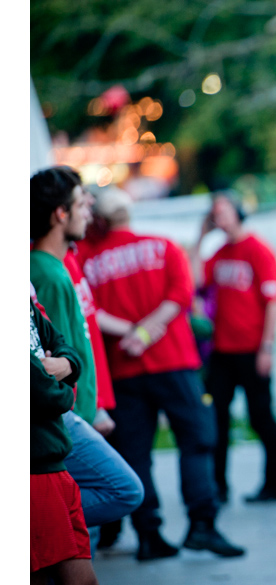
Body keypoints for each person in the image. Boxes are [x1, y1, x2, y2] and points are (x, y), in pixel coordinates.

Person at [77, 187, 245, 560]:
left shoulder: (88, 260)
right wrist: (146, 331)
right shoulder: (163, 246)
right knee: (197, 441)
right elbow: (181, 297)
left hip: (123, 369)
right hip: (175, 362)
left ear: (100, 219)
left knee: (135, 452)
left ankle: (149, 535)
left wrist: (131, 333)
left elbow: (90, 311)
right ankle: (202, 525)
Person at [30, 166, 144, 538]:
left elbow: (73, 349)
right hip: (66, 416)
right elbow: (48, 357)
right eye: (81, 201)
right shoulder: (44, 272)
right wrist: (83, 411)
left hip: (78, 412)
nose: (90, 208)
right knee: (121, 491)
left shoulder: (62, 265)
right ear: (60, 213)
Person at [194, 194, 276, 503]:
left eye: (223, 211)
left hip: (252, 348)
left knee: (261, 417)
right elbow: (195, 281)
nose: (218, 217)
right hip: (223, 350)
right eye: (214, 213)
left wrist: (267, 347)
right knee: (216, 417)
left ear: (239, 213)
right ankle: (218, 486)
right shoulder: (220, 252)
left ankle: (275, 485)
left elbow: (274, 301)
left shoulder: (258, 250)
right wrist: (201, 236)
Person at [31, 297, 99, 585]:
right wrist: (66, 391)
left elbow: (67, 349)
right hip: (34, 468)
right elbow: (39, 391)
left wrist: (62, 367)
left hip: (56, 461)